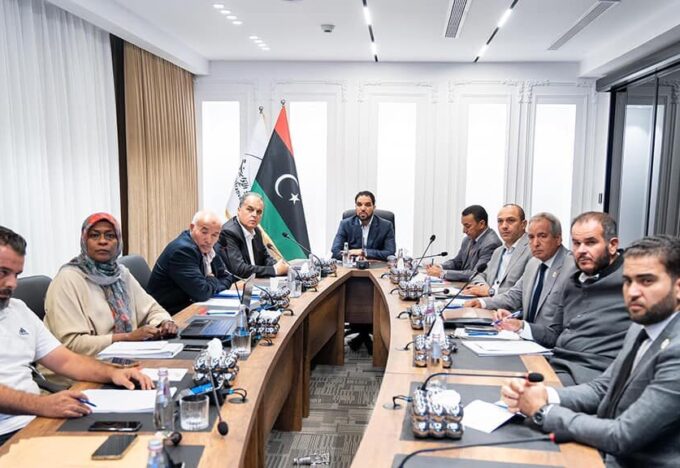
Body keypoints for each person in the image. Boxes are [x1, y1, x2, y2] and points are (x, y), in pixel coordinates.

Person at [501, 235, 680, 467]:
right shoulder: (640, 327)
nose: (633, 292)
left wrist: (543, 411)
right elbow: (603, 388)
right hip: (602, 450)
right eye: (628, 281)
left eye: (646, 281)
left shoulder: (676, 350)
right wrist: (546, 395)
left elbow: (623, 435)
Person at [0, 226, 153, 447]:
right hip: (10, 431)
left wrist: (113, 373)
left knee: (141, 439)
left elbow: (65, 360)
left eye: (16, 275)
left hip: (36, 420)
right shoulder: (68, 278)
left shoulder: (17, 309)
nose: (12, 284)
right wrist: (42, 404)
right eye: (3, 272)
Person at [44, 213, 177, 356]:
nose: (102, 241)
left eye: (110, 236)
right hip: (79, 364)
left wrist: (164, 323)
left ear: (118, 241)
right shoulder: (67, 280)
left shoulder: (120, 274)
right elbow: (72, 344)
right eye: (94, 235)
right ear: (84, 241)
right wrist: (126, 338)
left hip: (123, 356)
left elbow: (153, 309)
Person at [531, 212, 630, 385]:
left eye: (590, 242)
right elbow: (554, 333)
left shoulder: (632, 281)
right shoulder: (573, 280)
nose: (581, 250)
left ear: (612, 245)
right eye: (576, 243)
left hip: (594, 377)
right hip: (556, 364)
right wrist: (520, 327)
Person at [465, 212, 570, 332]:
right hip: (524, 335)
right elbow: (515, 295)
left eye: (542, 236)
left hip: (550, 339)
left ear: (558, 239)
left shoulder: (571, 268)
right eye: (531, 237)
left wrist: (522, 325)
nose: (535, 243)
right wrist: (482, 302)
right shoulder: (534, 263)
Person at [148, 211, 235, 314]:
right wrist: (211, 278)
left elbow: (227, 277)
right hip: (170, 315)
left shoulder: (207, 247)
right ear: (192, 227)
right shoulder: (183, 251)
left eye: (214, 235)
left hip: (194, 307)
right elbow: (202, 292)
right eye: (204, 232)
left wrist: (210, 285)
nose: (209, 240)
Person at [463, 204, 531, 297]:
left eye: (511, 220)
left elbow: (526, 289)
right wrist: (482, 287)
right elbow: (480, 275)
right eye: (500, 221)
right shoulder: (498, 251)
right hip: (487, 301)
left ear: (523, 224)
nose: (504, 226)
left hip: (508, 305)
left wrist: (491, 291)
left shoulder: (532, 250)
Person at [217, 192, 288, 279]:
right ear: (239, 210)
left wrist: (279, 266)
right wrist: (275, 270)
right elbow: (239, 269)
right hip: (237, 284)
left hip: (256, 282)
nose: (254, 215)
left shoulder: (256, 231)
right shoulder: (229, 232)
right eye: (250, 209)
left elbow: (265, 258)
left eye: (259, 212)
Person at [426, 205, 501, 282]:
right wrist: (440, 267)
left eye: (467, 226)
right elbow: (457, 262)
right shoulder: (468, 239)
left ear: (481, 224)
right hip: (463, 284)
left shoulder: (491, 243)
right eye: (463, 226)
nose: (464, 231)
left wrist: (442, 273)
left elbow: (476, 274)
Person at [331, 190, 396, 261]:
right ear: (356, 207)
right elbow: (335, 251)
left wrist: (364, 252)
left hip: (376, 265)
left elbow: (390, 253)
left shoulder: (386, 226)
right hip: (352, 265)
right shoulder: (345, 224)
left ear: (374, 207)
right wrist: (357, 258)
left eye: (367, 205)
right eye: (359, 205)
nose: (363, 208)